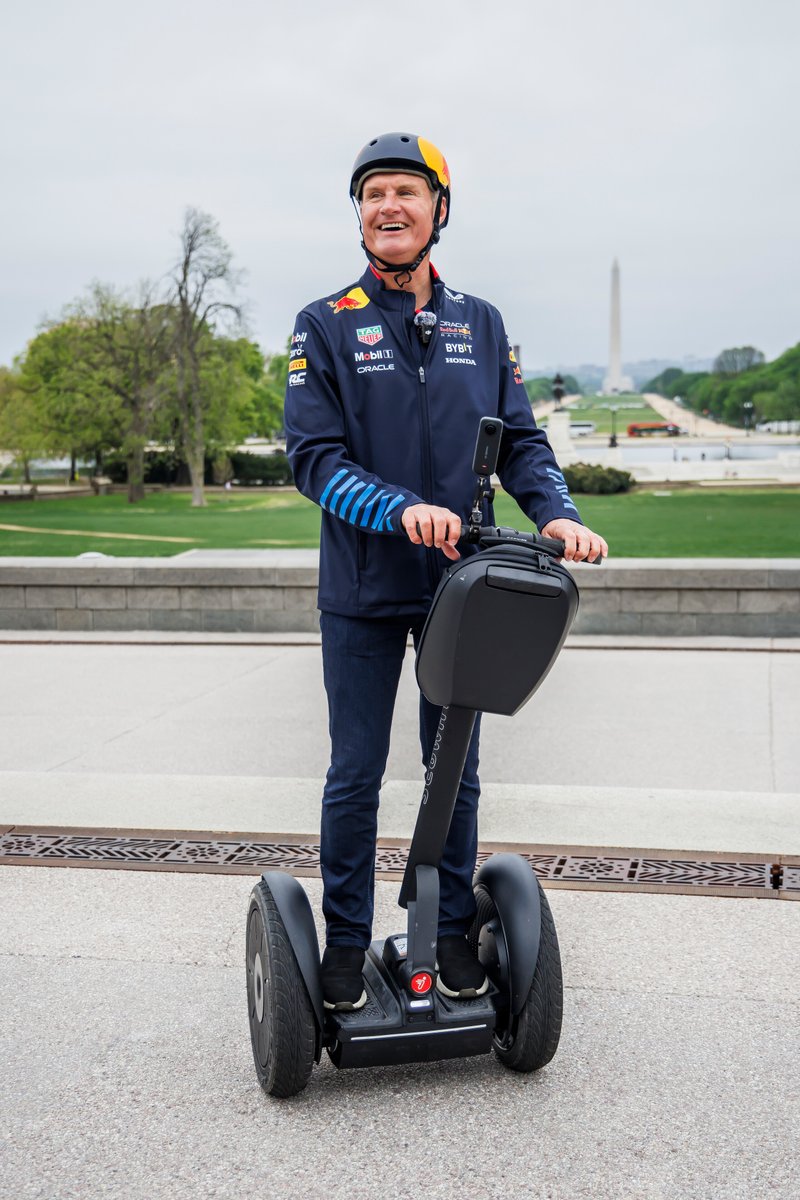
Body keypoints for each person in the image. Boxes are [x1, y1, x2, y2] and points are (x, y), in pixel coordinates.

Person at [285, 132, 607, 1011]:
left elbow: (523, 442)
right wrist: (398, 508)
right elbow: (314, 459)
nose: (388, 207)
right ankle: (347, 942)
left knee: (452, 764)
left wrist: (558, 512)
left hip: (463, 583)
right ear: (358, 214)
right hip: (362, 585)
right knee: (355, 770)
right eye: (373, 194)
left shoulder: (481, 321)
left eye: (405, 193)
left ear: (438, 210)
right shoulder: (326, 322)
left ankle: (452, 930)